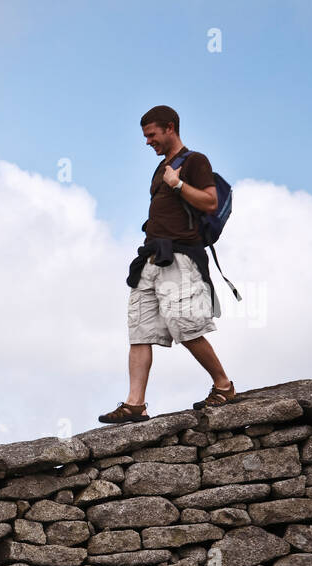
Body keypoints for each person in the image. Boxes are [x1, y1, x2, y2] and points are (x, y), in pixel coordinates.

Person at [98, 105, 237, 424]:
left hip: (180, 258)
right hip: (150, 259)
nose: (148, 141)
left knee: (185, 326)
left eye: (152, 135)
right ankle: (135, 405)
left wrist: (176, 184)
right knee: (139, 331)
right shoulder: (160, 167)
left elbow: (210, 201)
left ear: (170, 128)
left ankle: (224, 386)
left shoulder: (195, 161)